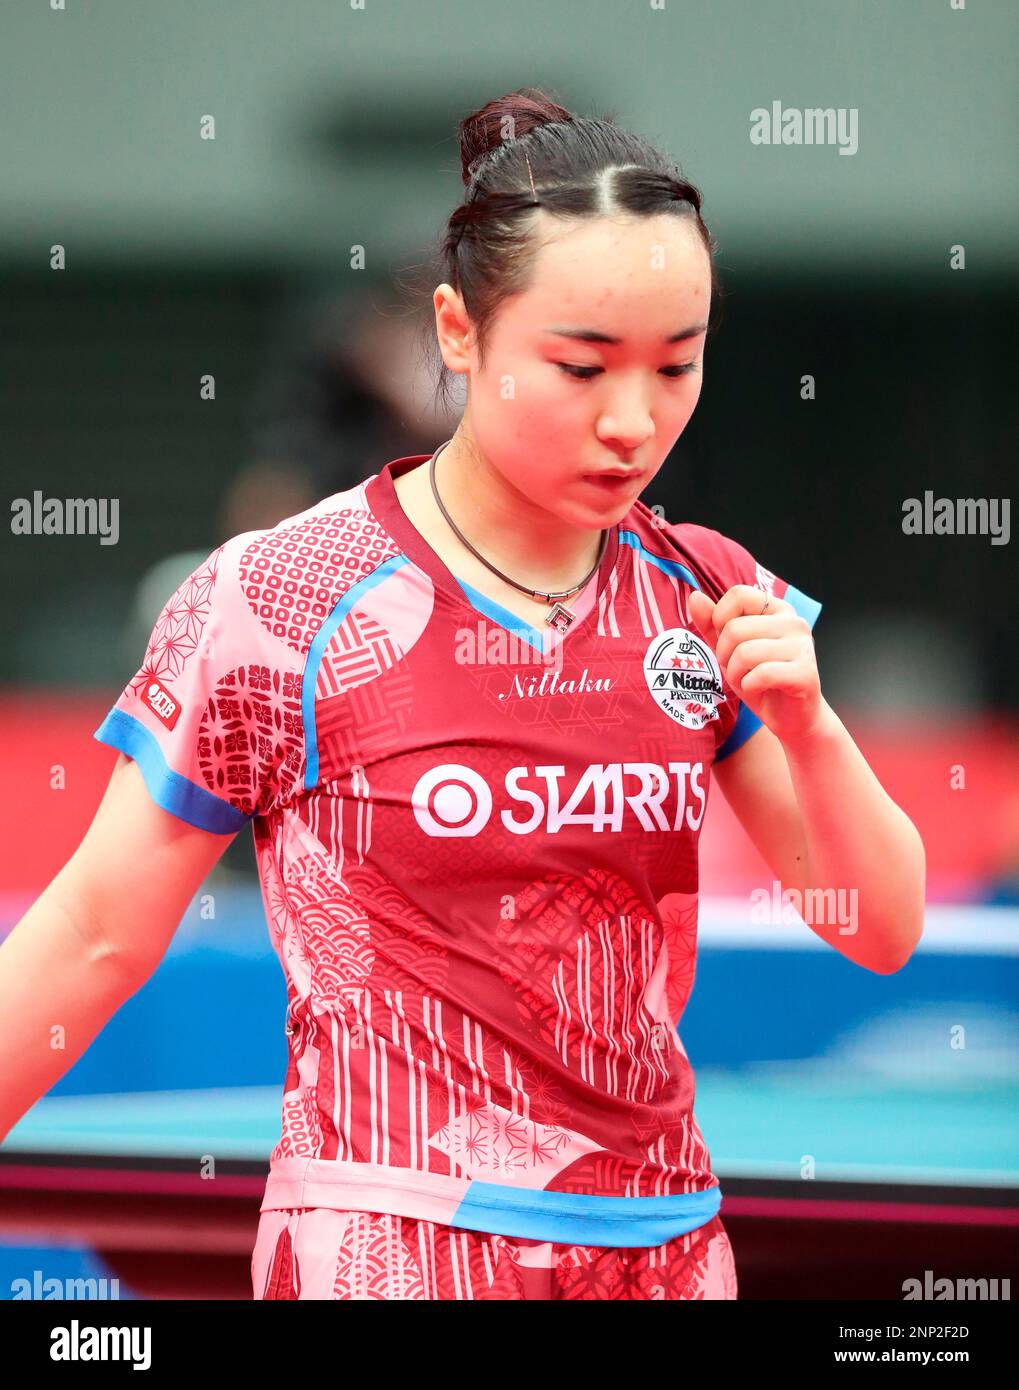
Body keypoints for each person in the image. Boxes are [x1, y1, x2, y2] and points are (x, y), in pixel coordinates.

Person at [0, 86, 926, 1301]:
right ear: (457, 329)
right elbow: (92, 931)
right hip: (388, 1243)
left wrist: (807, 725)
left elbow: (880, 926)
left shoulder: (710, 594)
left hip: (667, 1249)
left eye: (675, 364)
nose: (632, 419)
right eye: (580, 365)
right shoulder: (280, 598)